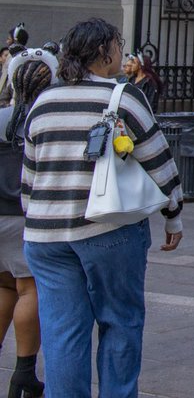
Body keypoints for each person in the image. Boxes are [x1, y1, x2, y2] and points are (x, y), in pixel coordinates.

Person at [21, 18, 184, 398]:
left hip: (45, 238)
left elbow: (29, 179)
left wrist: (41, 217)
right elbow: (159, 162)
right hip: (106, 230)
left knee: (62, 331)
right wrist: (173, 215)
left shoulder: (42, 103)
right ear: (104, 52)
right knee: (120, 322)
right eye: (118, 46)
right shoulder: (123, 97)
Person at [0, 49, 56, 398]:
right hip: (24, 217)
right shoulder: (45, 119)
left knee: (4, 288)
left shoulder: (2, 115)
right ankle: (23, 373)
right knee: (28, 290)